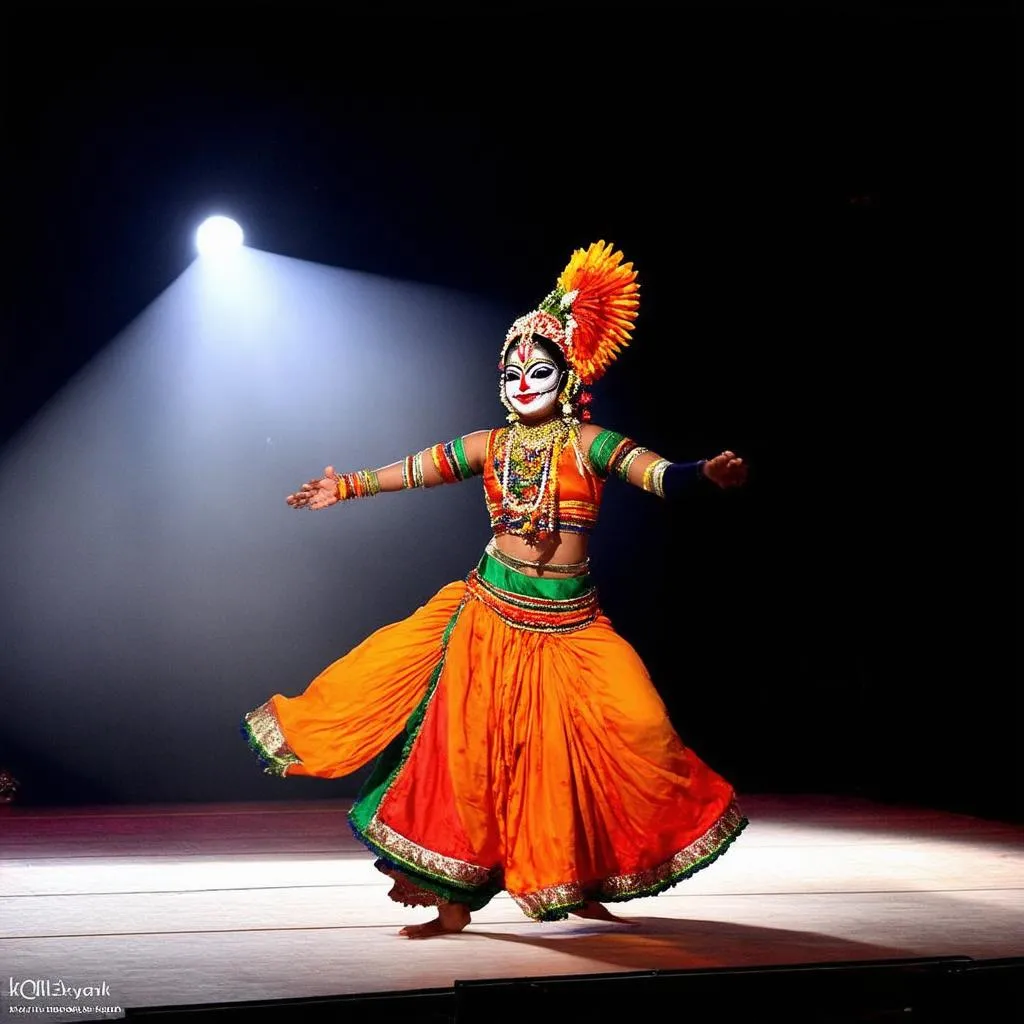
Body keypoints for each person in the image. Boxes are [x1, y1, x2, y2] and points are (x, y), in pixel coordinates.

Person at [242, 241, 749, 938]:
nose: (522, 381)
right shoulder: (490, 445)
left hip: (572, 624)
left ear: (567, 378)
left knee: (634, 730)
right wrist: (348, 485)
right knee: (466, 764)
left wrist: (703, 474)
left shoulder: (590, 444)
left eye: (538, 369)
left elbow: (657, 475)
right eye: (511, 370)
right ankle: (452, 908)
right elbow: (419, 468)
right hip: (488, 615)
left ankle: (582, 881)